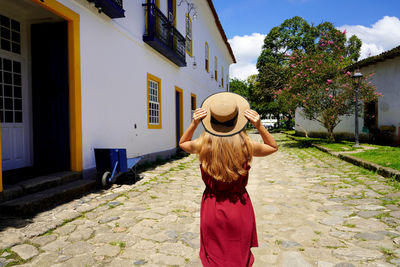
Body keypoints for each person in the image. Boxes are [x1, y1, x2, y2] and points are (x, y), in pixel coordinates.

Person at [179, 92, 278, 267]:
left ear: (211, 120)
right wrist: (259, 125)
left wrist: (194, 123)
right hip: (239, 207)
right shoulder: (246, 146)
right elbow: (272, 146)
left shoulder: (203, 145)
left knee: (214, 258)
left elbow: (183, 143)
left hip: (212, 206)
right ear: (237, 120)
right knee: (239, 257)